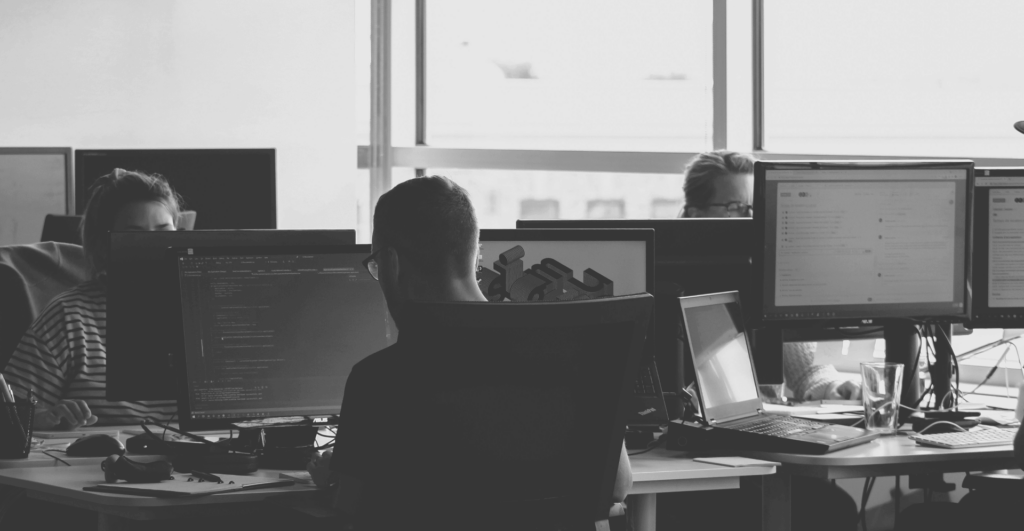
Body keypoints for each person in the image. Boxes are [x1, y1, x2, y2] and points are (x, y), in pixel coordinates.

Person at [309, 176, 632, 530]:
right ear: (476, 256)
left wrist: (335, 474)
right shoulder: (571, 349)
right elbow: (617, 487)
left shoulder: (378, 379)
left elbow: (354, 506)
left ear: (390, 264)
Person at [3, 168, 179, 429]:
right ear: (101, 246)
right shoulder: (69, 316)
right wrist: (44, 417)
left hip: (211, 460)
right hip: (107, 464)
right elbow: (10, 416)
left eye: (164, 232)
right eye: (134, 235)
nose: (153, 246)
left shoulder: (209, 307)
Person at [678, 150, 861, 401]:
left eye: (757, 207)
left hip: (763, 426)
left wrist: (833, 386)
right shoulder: (667, 285)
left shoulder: (769, 276)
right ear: (695, 214)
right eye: (737, 208)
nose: (753, 219)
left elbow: (808, 369)